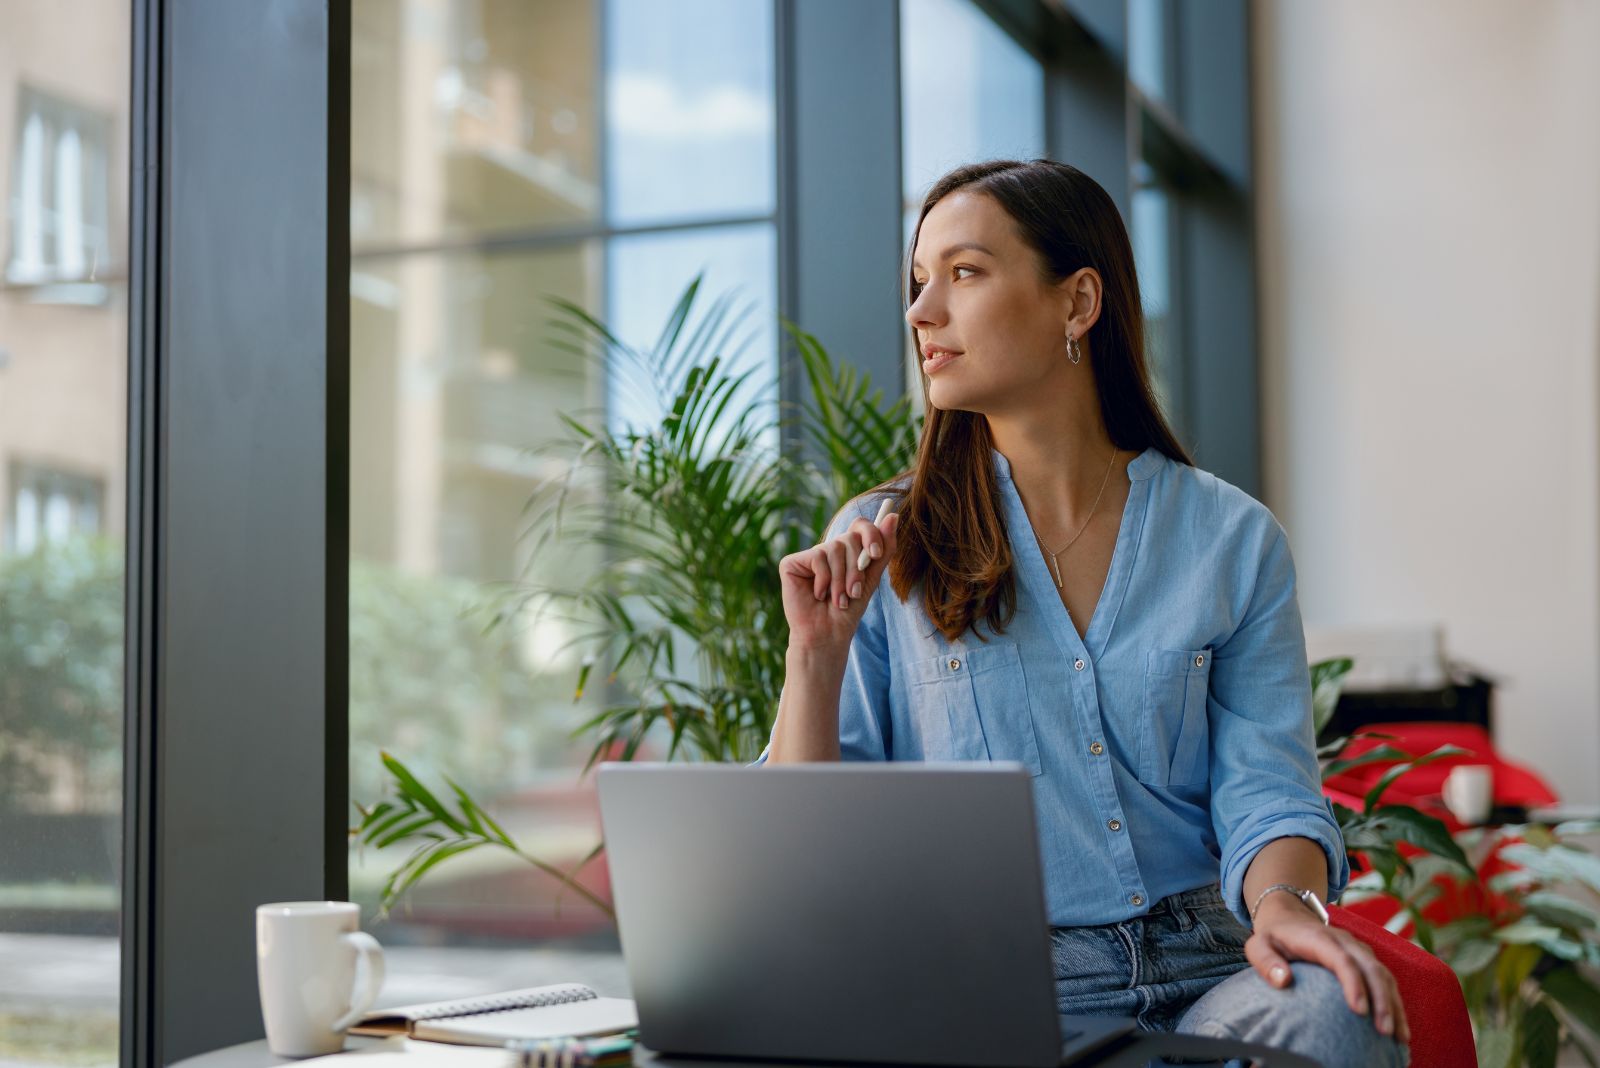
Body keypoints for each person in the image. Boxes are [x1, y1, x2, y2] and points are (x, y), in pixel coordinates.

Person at [755, 159, 1409, 1068]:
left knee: (1335, 1024)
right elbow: (804, 855)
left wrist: (1288, 910)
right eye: (918, 282)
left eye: (965, 273)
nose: (921, 313)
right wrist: (814, 662)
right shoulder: (880, 541)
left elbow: (1267, 788)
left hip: (1211, 968)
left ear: (1078, 302)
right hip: (996, 985)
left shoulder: (1231, 538)